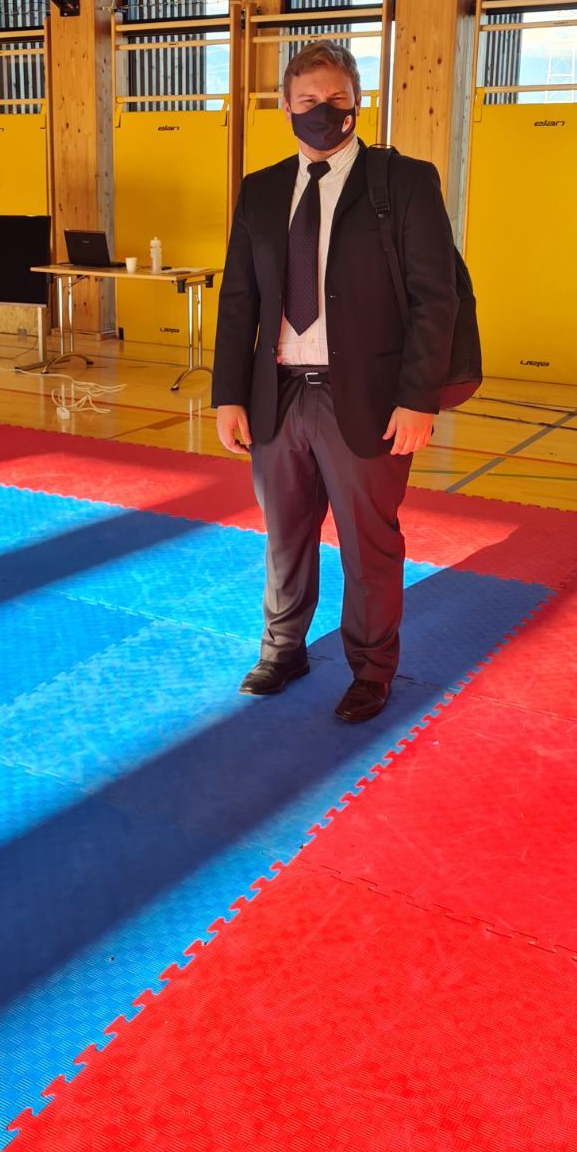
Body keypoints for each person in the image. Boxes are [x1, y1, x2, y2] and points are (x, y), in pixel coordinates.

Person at [211, 40, 459, 723]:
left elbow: (436, 299)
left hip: (370, 400)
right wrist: (228, 393)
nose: (324, 110)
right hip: (278, 394)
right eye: (309, 100)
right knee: (284, 536)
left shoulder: (403, 182)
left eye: (337, 98)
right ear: (285, 106)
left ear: (357, 102)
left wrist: (418, 398)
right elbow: (239, 299)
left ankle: (371, 670)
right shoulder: (261, 189)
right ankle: (282, 649)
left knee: (367, 544)